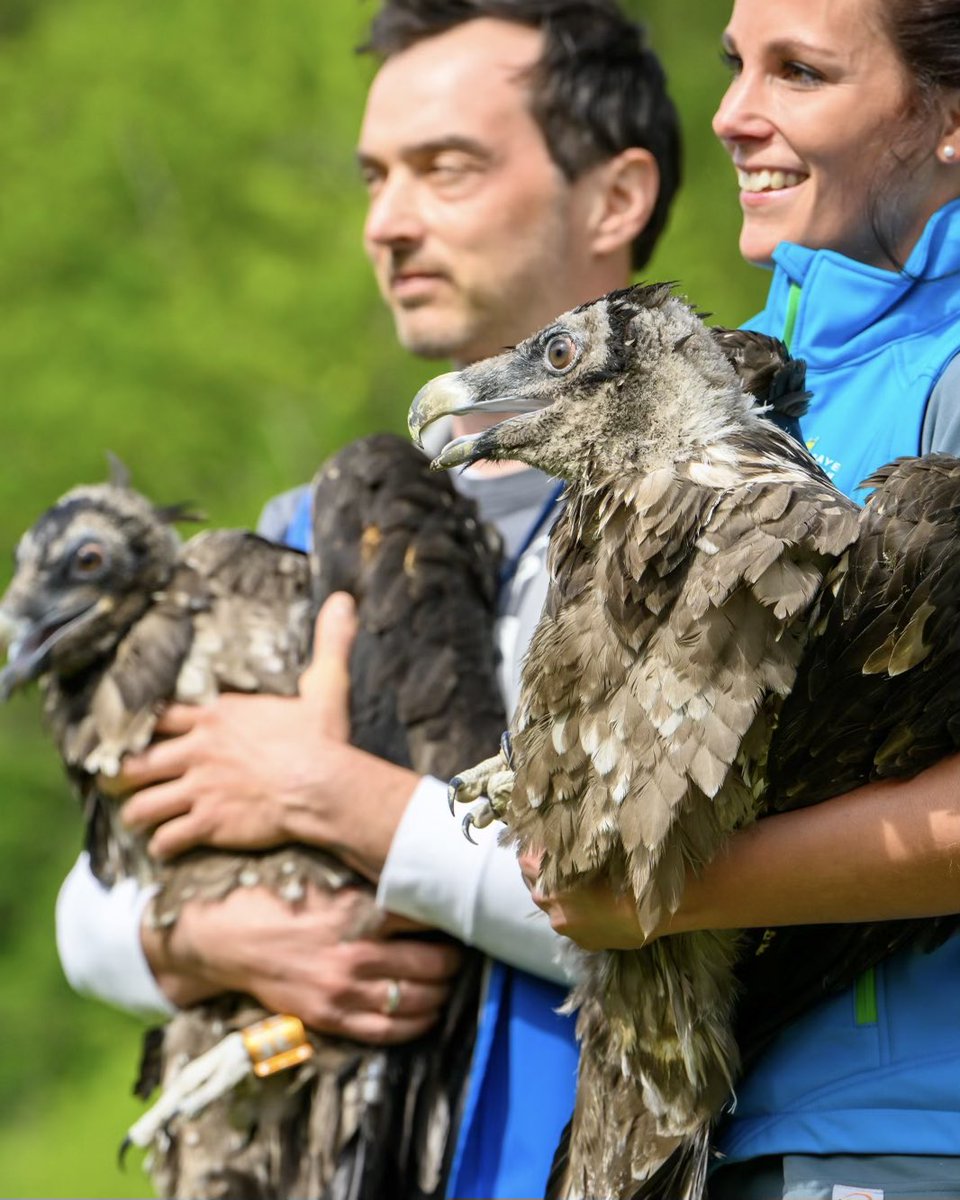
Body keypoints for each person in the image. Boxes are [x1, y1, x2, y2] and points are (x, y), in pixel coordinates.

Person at [54, 2, 681, 1196]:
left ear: (615, 197)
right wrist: (204, 940)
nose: (387, 223)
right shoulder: (297, 531)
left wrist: (333, 799)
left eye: (447, 169)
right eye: (373, 178)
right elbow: (87, 907)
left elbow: (723, 904)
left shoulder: (719, 523)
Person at [521, 0, 960, 1196]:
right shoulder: (729, 381)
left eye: (800, 73)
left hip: (914, 1131)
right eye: (734, 67)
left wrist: (653, 891)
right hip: (712, 1130)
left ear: (949, 116)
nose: (730, 115)